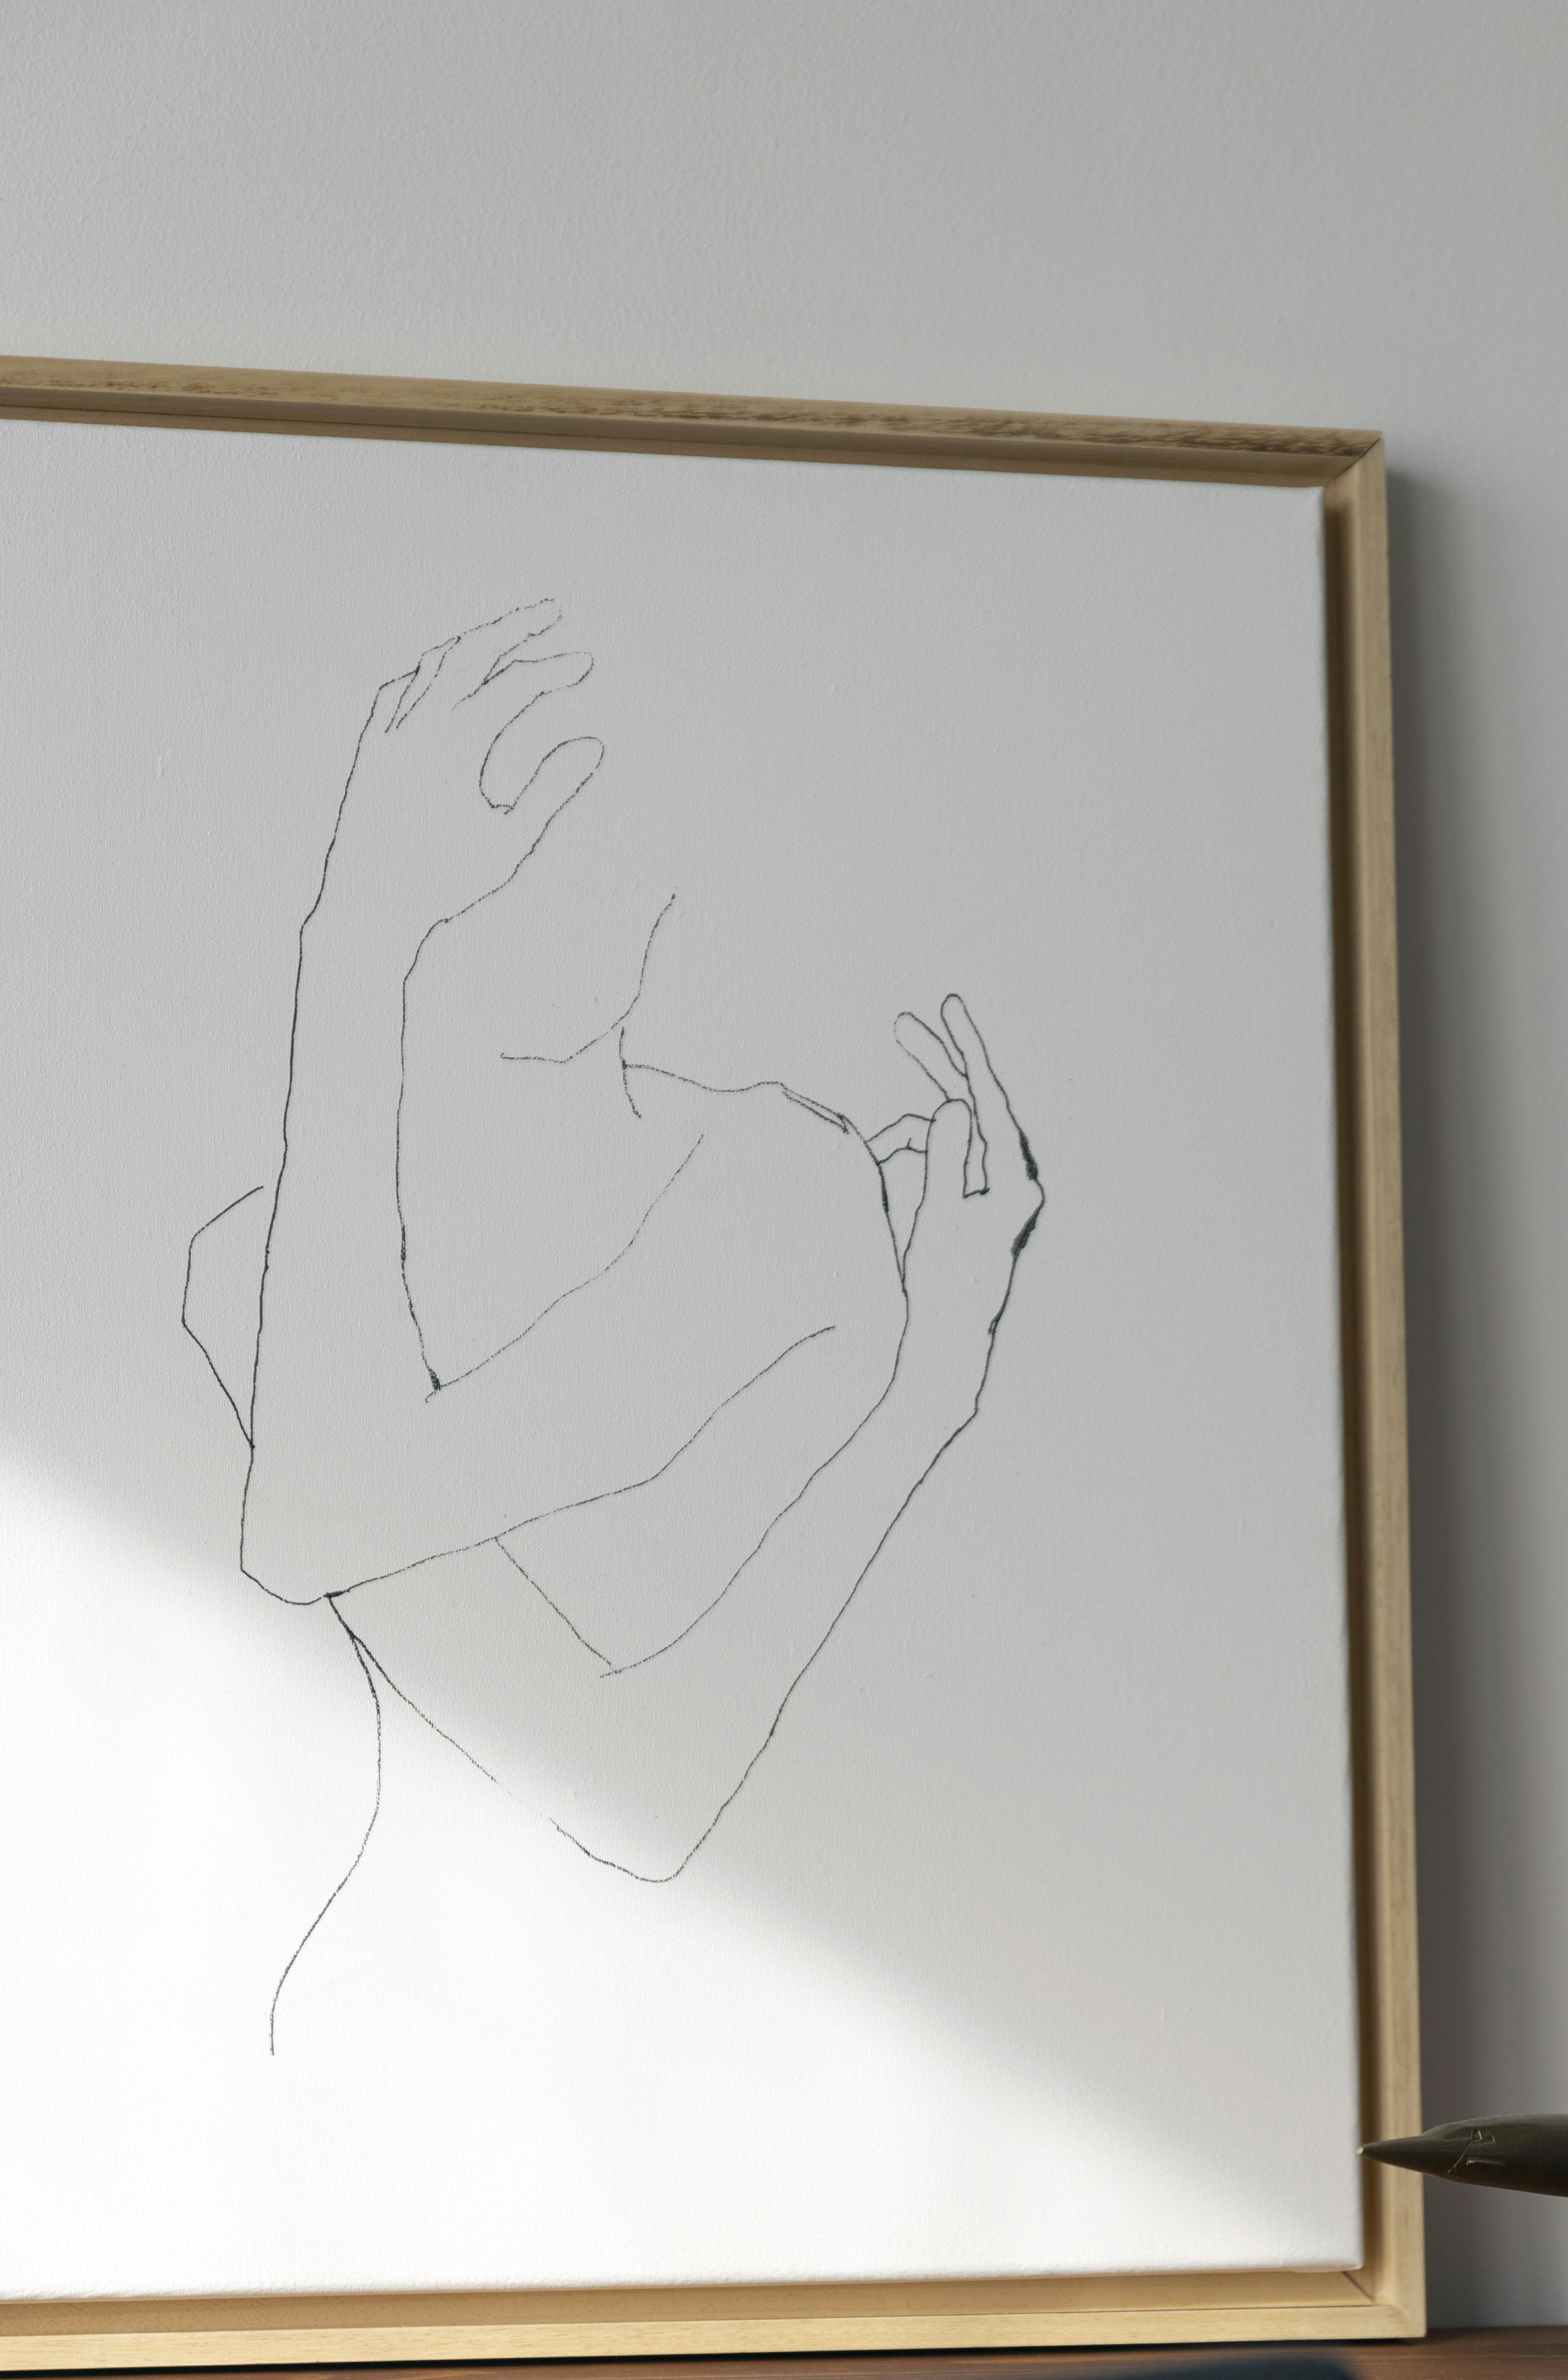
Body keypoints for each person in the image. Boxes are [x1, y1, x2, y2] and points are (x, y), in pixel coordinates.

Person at [182, 602, 1043, 1953]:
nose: (553, 887)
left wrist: (928, 1387)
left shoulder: (784, 1184)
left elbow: (645, 1787)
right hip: (389, 1999)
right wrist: (347, 941)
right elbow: (311, 1527)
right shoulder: (258, 1261)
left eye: (606, 824)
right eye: (498, 834)